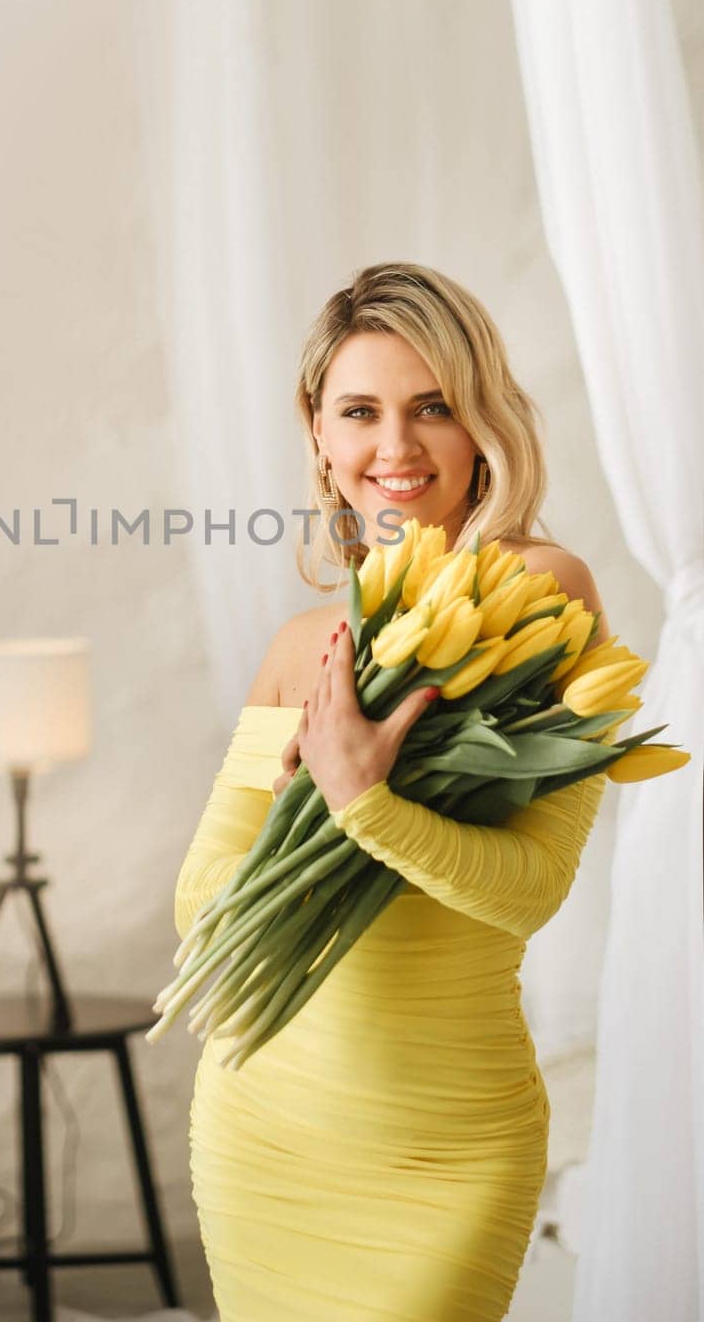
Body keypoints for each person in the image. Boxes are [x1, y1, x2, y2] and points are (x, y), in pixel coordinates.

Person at [175, 264, 611, 1322]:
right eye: (359, 411)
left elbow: (529, 891)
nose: (396, 449)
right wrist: (295, 820)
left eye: (432, 408)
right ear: (318, 435)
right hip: (264, 1129)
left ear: (482, 428)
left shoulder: (538, 594)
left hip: (443, 1146)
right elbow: (200, 913)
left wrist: (364, 802)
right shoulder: (296, 649)